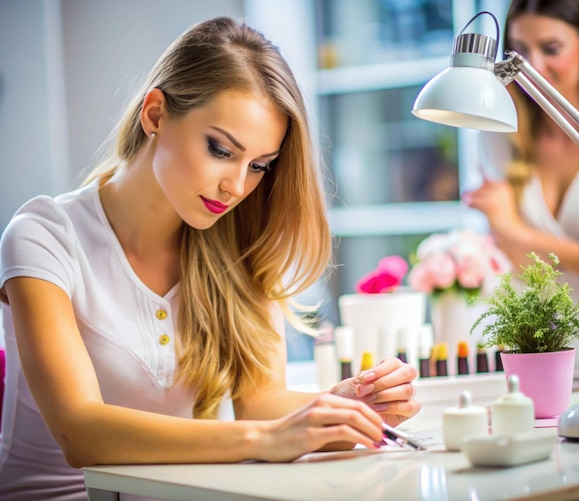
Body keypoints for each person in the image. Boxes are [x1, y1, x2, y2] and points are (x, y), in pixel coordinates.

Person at [0, 17, 420, 500]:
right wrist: (266, 441)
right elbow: (81, 433)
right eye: (221, 149)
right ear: (155, 114)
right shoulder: (44, 235)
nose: (237, 187)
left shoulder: (239, 241)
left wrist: (346, 404)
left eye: (259, 165)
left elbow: (259, 402)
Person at [464, 0, 579, 377]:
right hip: (543, 356)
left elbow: (514, 240)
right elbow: (515, 262)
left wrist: (519, 232)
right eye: (520, 52)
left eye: (551, 49)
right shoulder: (504, 133)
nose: (533, 66)